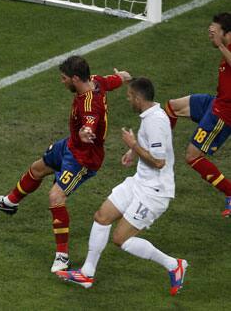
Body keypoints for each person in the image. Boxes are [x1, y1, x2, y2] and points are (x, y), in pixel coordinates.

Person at [0, 55, 131, 272]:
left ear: (76, 79)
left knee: (55, 197)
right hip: (71, 146)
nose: (62, 82)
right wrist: (122, 77)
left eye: (64, 78)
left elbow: (90, 122)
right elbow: (110, 82)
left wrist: (86, 132)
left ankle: (62, 257)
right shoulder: (95, 81)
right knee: (37, 168)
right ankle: (10, 203)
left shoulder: (90, 105)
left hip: (83, 160)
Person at [55, 77, 188, 296]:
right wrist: (134, 151)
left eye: (129, 96)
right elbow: (153, 148)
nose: (128, 100)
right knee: (102, 216)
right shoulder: (151, 114)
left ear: (138, 97)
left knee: (120, 239)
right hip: (139, 182)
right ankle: (87, 273)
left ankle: (174, 265)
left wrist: (133, 144)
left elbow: (158, 161)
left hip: (154, 192)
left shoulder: (155, 121)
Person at [165, 12, 231, 218]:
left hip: (224, 114)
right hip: (215, 102)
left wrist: (220, 45)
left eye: (214, 33)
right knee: (173, 106)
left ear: (226, 33)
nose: (211, 36)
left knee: (193, 156)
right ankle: (161, 162)